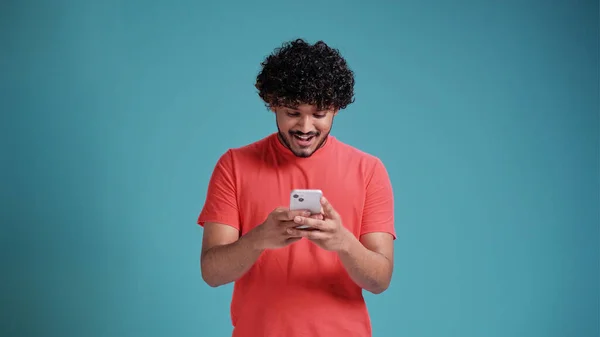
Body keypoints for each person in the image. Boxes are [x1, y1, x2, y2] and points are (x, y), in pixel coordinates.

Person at [197, 38, 396, 337]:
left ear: (336, 109)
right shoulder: (234, 166)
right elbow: (212, 273)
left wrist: (343, 242)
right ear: (273, 103)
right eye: (292, 112)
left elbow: (380, 280)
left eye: (318, 114)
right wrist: (259, 239)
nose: (305, 127)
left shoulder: (368, 171)